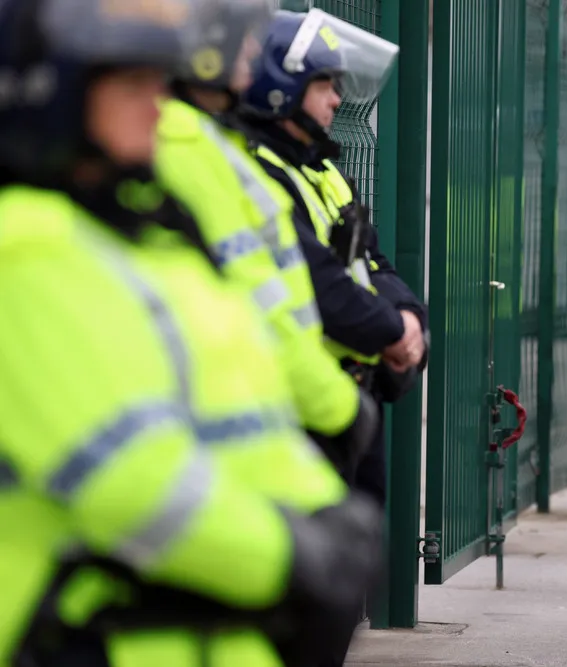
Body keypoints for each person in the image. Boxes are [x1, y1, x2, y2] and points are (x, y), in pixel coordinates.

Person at [0, 0, 381, 664]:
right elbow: (125, 477)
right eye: (131, 84)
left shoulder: (148, 244)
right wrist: (293, 556)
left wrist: (324, 508)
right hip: (94, 638)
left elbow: (242, 416)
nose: (158, 103)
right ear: (48, 95)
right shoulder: (26, 253)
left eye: (158, 80)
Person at [154, 0, 378, 474]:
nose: (254, 54)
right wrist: (342, 405)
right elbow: (265, 301)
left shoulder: (219, 146)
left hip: (291, 397)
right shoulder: (190, 147)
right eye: (246, 39)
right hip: (288, 401)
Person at [240, 8, 427, 509]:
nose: (336, 100)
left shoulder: (319, 170)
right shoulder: (259, 173)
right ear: (278, 88)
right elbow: (317, 279)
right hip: (299, 405)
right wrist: (392, 332)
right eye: (324, 85)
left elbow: (373, 262)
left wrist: (409, 319)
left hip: (354, 387)